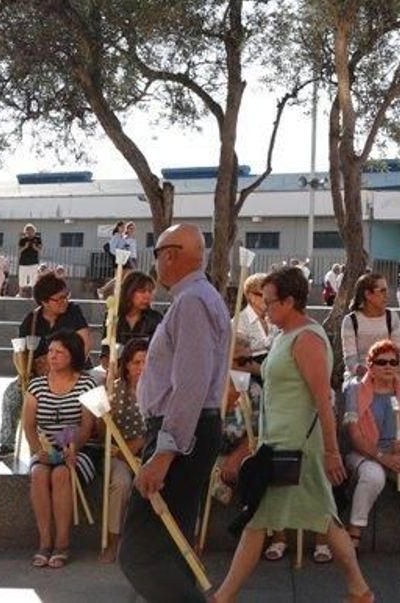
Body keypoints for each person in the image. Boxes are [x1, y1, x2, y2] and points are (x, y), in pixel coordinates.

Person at [209, 264, 373, 603]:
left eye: (269, 302)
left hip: (296, 446)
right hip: (282, 443)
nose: (264, 308)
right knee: (320, 518)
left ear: (290, 301)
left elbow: (323, 400)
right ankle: (359, 589)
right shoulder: (287, 335)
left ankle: (224, 596)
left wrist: (331, 451)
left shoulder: (307, 338)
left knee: (269, 521)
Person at [119, 223, 232, 603]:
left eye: (156, 254)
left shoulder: (192, 301)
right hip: (188, 431)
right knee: (169, 547)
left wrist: (164, 452)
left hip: (182, 434)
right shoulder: (197, 298)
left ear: (170, 254)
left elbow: (191, 384)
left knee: (140, 555)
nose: (155, 265)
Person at [342, 339, 400, 561]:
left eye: (393, 362)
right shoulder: (356, 391)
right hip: (368, 452)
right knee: (373, 476)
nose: (388, 367)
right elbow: (355, 436)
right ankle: (354, 533)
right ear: (370, 365)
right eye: (382, 362)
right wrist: (383, 457)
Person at [0, 273, 94, 462]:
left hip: (75, 371)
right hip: (40, 376)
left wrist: (67, 365)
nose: (65, 301)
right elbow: (20, 351)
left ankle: (88, 442)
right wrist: (27, 370)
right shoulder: (31, 320)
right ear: (44, 302)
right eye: (59, 299)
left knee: (95, 391)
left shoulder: (73, 312)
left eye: (66, 296)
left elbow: (85, 343)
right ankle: (8, 443)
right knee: (12, 395)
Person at [23, 331, 97, 569]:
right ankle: (45, 541)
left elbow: (87, 425)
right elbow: (29, 425)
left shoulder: (87, 383)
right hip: (45, 449)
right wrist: (37, 450)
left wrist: (74, 447)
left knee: (62, 474)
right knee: (39, 474)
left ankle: (62, 543)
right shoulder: (36, 385)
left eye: (59, 352)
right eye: (51, 351)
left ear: (72, 356)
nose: (52, 356)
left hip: (79, 449)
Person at [96, 337, 150, 564]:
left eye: (146, 362)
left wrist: (143, 442)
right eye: (136, 362)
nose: (141, 368)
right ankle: (113, 541)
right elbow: (102, 434)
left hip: (150, 453)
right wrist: (106, 413)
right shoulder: (114, 391)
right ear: (126, 364)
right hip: (118, 453)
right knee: (120, 483)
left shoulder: (161, 390)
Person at [340, 273, 400, 380]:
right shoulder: (351, 321)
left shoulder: (392, 317)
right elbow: (351, 361)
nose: (387, 295)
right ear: (368, 295)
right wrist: (372, 374)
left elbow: (397, 353)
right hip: (358, 378)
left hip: (388, 374)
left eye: (386, 290)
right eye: (382, 291)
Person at [234, 272, 274, 377]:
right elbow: (239, 361)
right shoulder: (239, 322)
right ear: (251, 296)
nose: (269, 300)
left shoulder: (273, 319)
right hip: (250, 380)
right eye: (264, 295)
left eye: (272, 295)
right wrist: (268, 375)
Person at [115, 270, 164, 347]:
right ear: (129, 291)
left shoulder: (156, 319)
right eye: (142, 291)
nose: (147, 296)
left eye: (150, 292)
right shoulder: (114, 316)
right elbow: (105, 350)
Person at [17, 224, 44, 297]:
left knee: (34, 279)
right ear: (25, 232)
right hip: (23, 262)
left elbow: (40, 249)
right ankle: (20, 293)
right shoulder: (23, 239)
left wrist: (34, 247)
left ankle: (33, 294)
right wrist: (25, 247)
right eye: (28, 231)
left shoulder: (37, 239)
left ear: (34, 231)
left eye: (31, 231)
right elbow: (19, 250)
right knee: (22, 278)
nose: (29, 233)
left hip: (33, 262)